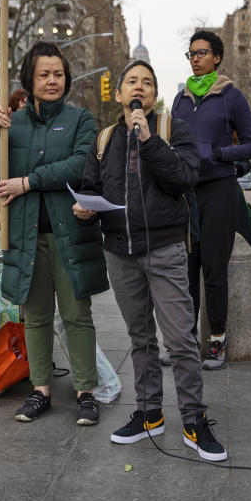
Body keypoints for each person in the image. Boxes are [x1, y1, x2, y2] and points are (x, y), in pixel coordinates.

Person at [75, 60, 227, 461]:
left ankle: (194, 419)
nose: (138, 87)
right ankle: (149, 413)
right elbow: (91, 186)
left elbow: (182, 178)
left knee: (179, 339)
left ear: (154, 94)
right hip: (119, 251)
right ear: (118, 93)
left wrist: (148, 140)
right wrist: (86, 208)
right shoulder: (104, 138)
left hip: (165, 249)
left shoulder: (170, 129)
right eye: (131, 81)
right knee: (140, 338)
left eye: (146, 82)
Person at [0, 42, 108, 426]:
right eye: (43, 74)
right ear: (29, 79)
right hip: (26, 236)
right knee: (34, 317)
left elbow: (79, 165)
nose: (52, 81)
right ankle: (41, 391)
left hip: (69, 234)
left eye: (58, 74)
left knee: (76, 315)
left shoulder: (81, 119)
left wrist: (28, 182)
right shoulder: (12, 124)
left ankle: (87, 392)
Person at [171, 30, 251, 369]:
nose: (195, 58)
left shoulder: (231, 96)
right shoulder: (180, 99)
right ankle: (186, 342)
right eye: (191, 53)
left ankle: (217, 342)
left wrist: (218, 153)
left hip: (219, 190)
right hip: (186, 192)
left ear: (217, 58)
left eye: (202, 52)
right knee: (186, 270)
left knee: (213, 269)